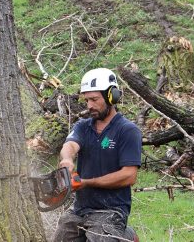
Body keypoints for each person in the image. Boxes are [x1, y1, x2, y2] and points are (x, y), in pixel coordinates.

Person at [53, 68, 142, 242]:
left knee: (101, 237)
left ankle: (126, 235)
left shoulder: (127, 131)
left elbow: (129, 176)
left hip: (111, 210)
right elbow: (70, 145)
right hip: (80, 209)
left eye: (94, 99)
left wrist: (87, 183)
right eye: (87, 100)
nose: (89, 105)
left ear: (112, 97)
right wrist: (67, 158)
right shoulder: (83, 126)